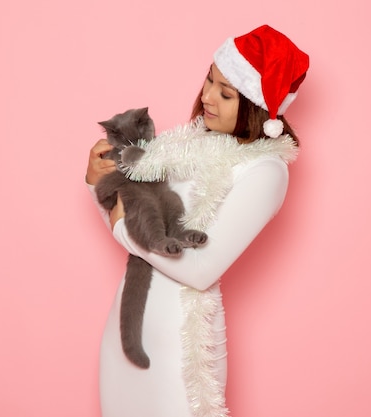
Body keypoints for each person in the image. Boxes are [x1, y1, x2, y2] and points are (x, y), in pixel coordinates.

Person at [85, 24, 309, 417]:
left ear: (258, 107)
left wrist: (121, 225)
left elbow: (200, 269)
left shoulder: (264, 171)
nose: (206, 97)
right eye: (209, 79)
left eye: (225, 93)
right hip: (129, 326)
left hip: (181, 347)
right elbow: (140, 221)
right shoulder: (185, 144)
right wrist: (98, 181)